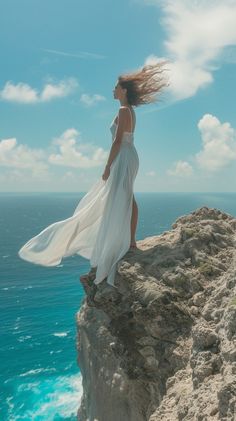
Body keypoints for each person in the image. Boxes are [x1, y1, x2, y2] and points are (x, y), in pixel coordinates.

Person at [18, 62, 169, 288]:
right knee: (127, 197)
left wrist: (107, 166)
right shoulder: (131, 112)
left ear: (124, 90)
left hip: (123, 155)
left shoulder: (122, 111)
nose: (113, 90)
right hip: (130, 155)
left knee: (122, 197)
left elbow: (118, 141)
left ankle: (128, 242)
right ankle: (130, 241)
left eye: (116, 87)